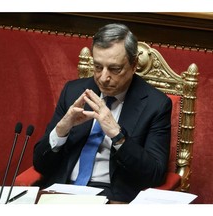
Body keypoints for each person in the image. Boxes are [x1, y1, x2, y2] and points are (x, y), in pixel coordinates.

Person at [33, 23, 172, 203]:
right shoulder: (74, 91)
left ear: (134, 64)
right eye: (98, 67)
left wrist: (117, 135)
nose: (103, 77)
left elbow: (155, 174)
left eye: (115, 69)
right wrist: (61, 130)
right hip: (61, 192)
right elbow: (40, 164)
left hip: (111, 197)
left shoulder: (156, 105)